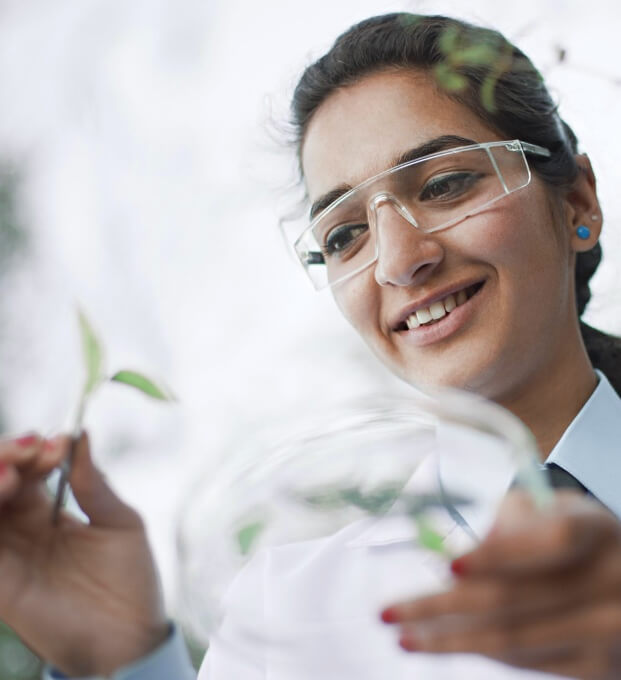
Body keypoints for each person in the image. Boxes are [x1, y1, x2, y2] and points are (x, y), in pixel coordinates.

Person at [0, 11, 619, 680]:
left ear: (577, 201)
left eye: (442, 185)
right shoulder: (287, 611)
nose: (397, 261)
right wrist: (130, 661)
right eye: (344, 235)